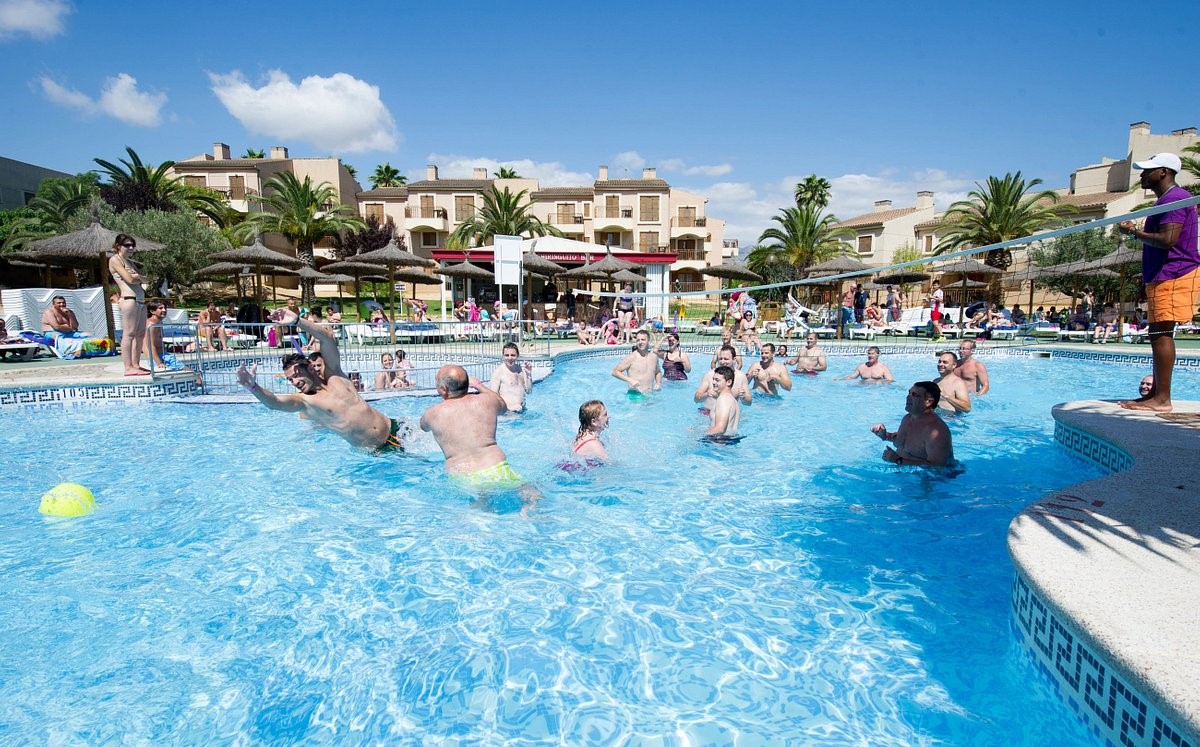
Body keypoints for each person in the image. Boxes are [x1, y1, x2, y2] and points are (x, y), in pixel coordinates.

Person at [1117, 152, 1200, 412]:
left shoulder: (1175, 199)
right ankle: (1156, 394)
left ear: (1164, 172)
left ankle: (1162, 400)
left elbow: (1167, 240)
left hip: (1174, 273)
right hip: (1163, 274)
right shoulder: (1168, 200)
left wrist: (1133, 232)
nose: (1142, 175)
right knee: (1157, 332)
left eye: (1148, 170)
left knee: (1162, 332)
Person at [236, 354, 406, 453]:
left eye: (296, 375)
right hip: (381, 451)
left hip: (396, 427)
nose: (294, 382)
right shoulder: (304, 401)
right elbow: (274, 403)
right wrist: (253, 387)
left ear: (310, 368)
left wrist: (298, 321)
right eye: (290, 380)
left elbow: (327, 339)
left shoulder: (335, 379)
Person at [420, 365, 528, 492]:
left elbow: (423, 427)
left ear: (444, 389)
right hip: (495, 465)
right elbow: (503, 406)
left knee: (480, 504)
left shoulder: (433, 413)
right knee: (527, 490)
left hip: (463, 475)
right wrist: (478, 385)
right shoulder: (487, 400)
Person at [870, 381, 954, 467]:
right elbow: (902, 442)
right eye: (909, 393)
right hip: (906, 473)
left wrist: (898, 460)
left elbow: (937, 467)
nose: (908, 397)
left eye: (914, 395)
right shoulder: (907, 419)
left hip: (930, 478)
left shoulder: (936, 431)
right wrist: (885, 435)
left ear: (928, 402)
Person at [107, 234, 148, 375]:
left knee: (140, 334)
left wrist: (138, 277)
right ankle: (127, 367)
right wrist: (137, 278)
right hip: (129, 299)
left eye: (132, 245)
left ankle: (135, 364)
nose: (131, 248)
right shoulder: (115, 260)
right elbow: (130, 279)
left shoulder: (129, 262)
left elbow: (146, 279)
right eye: (127, 245)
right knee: (129, 334)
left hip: (140, 300)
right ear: (118, 246)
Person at [695, 344, 752, 411]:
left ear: (734, 360)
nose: (722, 362)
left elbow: (749, 403)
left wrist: (743, 398)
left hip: (729, 414)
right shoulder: (710, 375)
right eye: (720, 359)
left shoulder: (741, 377)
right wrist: (706, 394)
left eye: (726, 359)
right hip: (708, 413)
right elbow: (696, 399)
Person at [611, 330, 662, 395]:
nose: (640, 342)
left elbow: (658, 372)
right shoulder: (632, 357)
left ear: (648, 341)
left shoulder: (654, 357)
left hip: (650, 393)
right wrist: (630, 380)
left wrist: (658, 383)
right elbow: (615, 372)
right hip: (635, 394)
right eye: (638, 340)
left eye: (643, 339)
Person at [489, 342, 533, 412]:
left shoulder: (520, 369)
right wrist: (509, 408)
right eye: (507, 355)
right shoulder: (498, 372)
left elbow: (529, 391)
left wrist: (528, 374)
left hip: (523, 411)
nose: (510, 358)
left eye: (513, 355)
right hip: (509, 414)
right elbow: (493, 397)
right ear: (503, 356)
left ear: (517, 355)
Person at [145, 301, 184, 372]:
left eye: (165, 308)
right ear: (152, 311)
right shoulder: (151, 325)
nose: (164, 310)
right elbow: (150, 346)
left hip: (163, 355)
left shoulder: (158, 323)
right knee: (189, 372)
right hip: (158, 358)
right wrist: (159, 363)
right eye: (160, 308)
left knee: (187, 372)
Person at [705, 365, 741, 439]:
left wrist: (698, 436)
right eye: (713, 379)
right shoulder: (732, 400)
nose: (713, 382)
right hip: (728, 442)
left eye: (717, 380)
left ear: (729, 382)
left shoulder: (723, 399)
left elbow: (720, 428)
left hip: (719, 444)